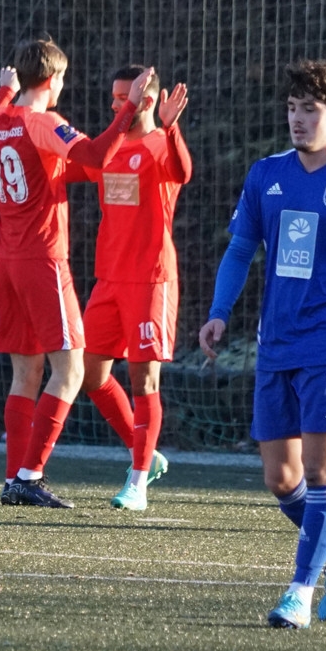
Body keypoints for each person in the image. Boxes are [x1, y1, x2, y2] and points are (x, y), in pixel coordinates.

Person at [199, 59, 326, 629]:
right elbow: (241, 248)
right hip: (276, 346)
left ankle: (299, 592)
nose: (297, 119)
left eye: (310, 109)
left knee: (320, 471)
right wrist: (218, 312)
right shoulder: (266, 174)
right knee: (281, 479)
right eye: (292, 108)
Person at [0, 37, 153, 508]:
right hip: (42, 259)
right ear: (52, 80)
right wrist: (129, 109)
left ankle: (14, 478)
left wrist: (3, 91)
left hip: (7, 260)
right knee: (70, 370)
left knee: (26, 373)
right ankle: (29, 476)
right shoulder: (44, 121)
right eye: (63, 80)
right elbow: (94, 156)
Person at [70, 65, 191, 510]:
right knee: (89, 374)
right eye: (116, 96)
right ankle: (145, 453)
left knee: (144, 379)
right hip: (109, 279)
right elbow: (70, 166)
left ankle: (137, 482)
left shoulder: (160, 142)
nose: (116, 104)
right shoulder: (109, 146)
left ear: (148, 99)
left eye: (126, 97)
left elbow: (183, 172)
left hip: (150, 280)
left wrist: (171, 128)